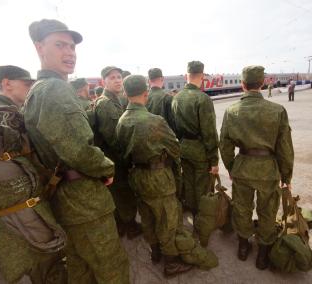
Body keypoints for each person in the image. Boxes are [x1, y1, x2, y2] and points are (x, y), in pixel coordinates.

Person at [23, 19, 129, 283]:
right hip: (84, 202)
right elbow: (79, 151)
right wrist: (107, 168)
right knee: (111, 267)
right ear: (39, 47)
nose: (69, 52)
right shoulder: (56, 89)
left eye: (71, 46)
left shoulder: (37, 90)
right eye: (60, 45)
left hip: (63, 198)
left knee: (80, 268)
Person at [116, 75, 193, 277]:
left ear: (125, 94)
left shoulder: (122, 121)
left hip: (137, 176)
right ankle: (171, 263)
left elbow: (122, 152)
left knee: (148, 216)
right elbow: (175, 148)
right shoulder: (155, 121)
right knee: (167, 220)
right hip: (159, 178)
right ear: (145, 93)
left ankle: (155, 252)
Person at [219, 65, 294, 270]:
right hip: (268, 170)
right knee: (268, 211)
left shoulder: (231, 111)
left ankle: (243, 247)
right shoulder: (277, 110)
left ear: (242, 85)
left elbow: (224, 145)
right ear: (262, 83)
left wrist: (232, 167)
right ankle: (263, 254)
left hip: (243, 167)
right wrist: (286, 177)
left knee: (242, 208)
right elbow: (285, 147)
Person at [94, 66, 142, 238]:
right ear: (103, 82)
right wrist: (130, 157)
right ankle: (129, 226)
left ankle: (122, 225)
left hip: (115, 159)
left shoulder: (115, 100)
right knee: (123, 193)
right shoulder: (105, 104)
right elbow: (114, 139)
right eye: (112, 77)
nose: (117, 80)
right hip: (115, 159)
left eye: (119, 77)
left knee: (119, 194)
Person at [171, 61, 219, 216]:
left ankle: (191, 210)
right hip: (199, 150)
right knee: (202, 185)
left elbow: (174, 127)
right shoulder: (203, 99)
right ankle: (202, 217)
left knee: (188, 181)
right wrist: (214, 160)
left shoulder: (176, 98)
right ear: (202, 76)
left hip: (183, 147)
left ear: (187, 75)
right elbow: (209, 132)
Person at [146, 68, 175, 133]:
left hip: (148, 138)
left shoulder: (143, 98)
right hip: (164, 137)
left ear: (148, 81)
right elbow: (172, 122)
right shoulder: (168, 98)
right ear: (162, 78)